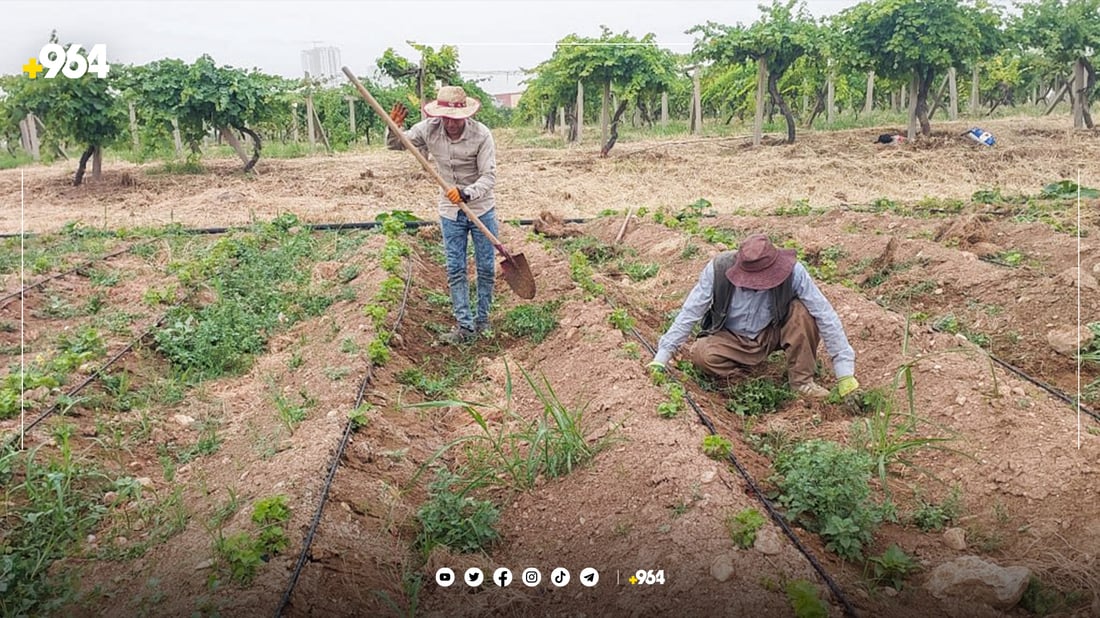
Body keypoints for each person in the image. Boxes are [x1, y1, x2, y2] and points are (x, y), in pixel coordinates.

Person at [648, 234, 859, 400]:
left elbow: (825, 314)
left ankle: (802, 382)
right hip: (730, 338)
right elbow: (690, 312)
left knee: (802, 312)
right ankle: (747, 378)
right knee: (701, 354)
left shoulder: (794, 272)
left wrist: (844, 371)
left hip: (771, 333)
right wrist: (662, 356)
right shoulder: (718, 269)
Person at [387, 86, 498, 344]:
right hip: (450, 212)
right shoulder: (428, 129)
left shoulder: (481, 135)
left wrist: (466, 193)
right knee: (456, 268)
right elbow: (398, 145)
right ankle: (464, 326)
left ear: (465, 116)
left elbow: (489, 177)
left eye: (455, 118)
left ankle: (483, 321)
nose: (450, 123)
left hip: (481, 208)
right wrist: (393, 128)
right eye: (445, 117)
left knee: (485, 267)